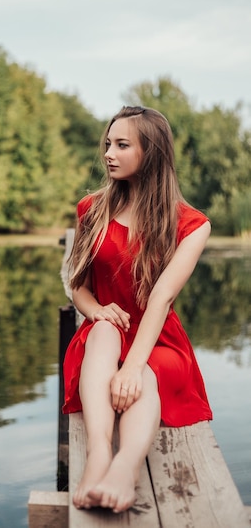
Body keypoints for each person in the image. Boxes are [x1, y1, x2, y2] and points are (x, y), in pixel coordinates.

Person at [63, 105, 212, 514]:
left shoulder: (191, 224)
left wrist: (131, 367)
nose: (109, 153)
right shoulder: (91, 209)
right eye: (108, 144)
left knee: (142, 372)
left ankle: (125, 467)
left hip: (159, 342)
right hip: (104, 336)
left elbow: (162, 298)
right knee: (104, 331)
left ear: (152, 152)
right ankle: (97, 455)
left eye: (122, 145)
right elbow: (78, 288)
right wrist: (97, 311)